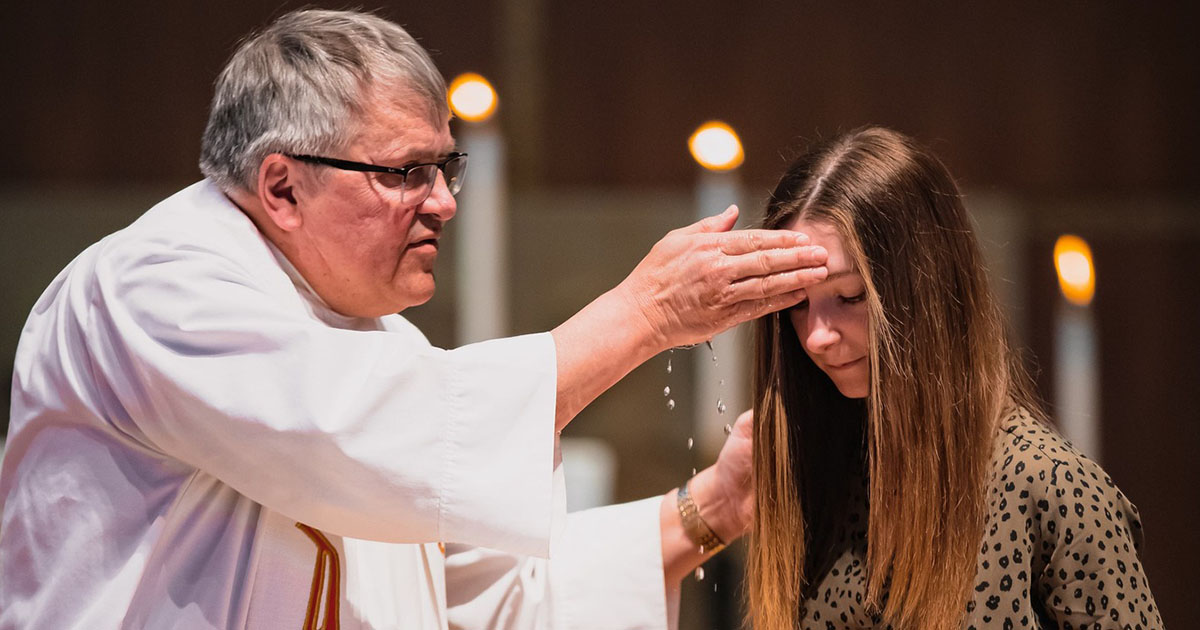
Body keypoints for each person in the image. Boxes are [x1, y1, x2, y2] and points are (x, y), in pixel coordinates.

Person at [0, 10, 828, 629]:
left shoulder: (373, 338)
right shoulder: (151, 287)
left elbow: (491, 601)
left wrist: (715, 507)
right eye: (405, 172)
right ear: (282, 186)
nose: (443, 202)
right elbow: (345, 426)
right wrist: (645, 313)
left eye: (445, 167)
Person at [746, 127, 1162, 630]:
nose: (815, 337)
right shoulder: (815, 471)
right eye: (796, 304)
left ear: (927, 294)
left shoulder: (1053, 487)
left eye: (851, 296)